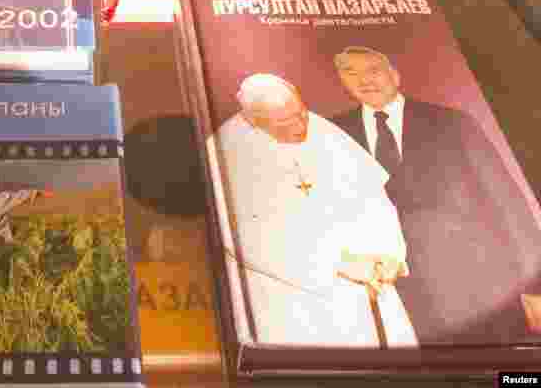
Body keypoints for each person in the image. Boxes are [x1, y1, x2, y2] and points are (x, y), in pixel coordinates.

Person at [329, 45, 541, 344]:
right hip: (399, 297)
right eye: (351, 73)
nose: (364, 80)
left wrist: (536, 286)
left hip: (480, 284)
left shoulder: (454, 122)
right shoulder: (333, 135)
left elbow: (507, 201)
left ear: (395, 75)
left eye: (373, 70)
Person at [209, 74, 416, 348]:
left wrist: (390, 253)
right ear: (252, 120)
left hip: (370, 282)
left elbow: (373, 198)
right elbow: (247, 240)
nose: (301, 126)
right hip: (294, 299)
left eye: (302, 113)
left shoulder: (323, 130)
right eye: (285, 122)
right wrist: (337, 264)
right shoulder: (226, 150)